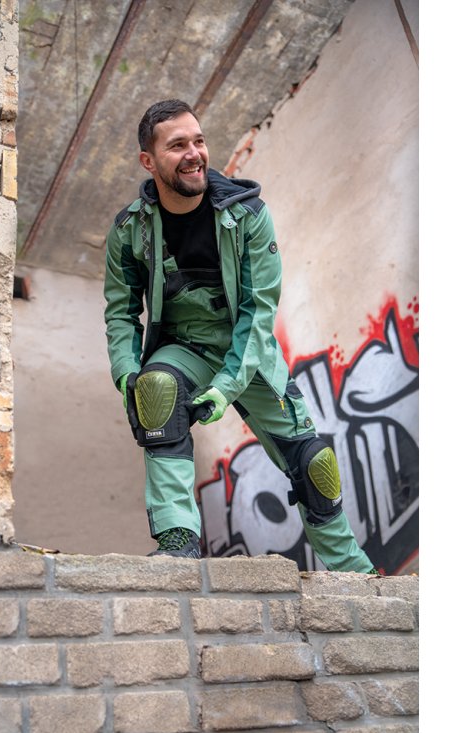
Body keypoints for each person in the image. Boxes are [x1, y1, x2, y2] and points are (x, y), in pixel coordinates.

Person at [103, 99, 375, 573]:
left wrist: (227, 387)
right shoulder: (130, 230)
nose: (194, 154)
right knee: (155, 390)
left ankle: (353, 570)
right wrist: (127, 374)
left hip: (248, 352)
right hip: (183, 348)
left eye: (199, 141)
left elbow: (258, 312)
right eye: (177, 145)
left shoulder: (248, 215)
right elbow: (121, 313)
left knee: (314, 462)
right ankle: (178, 541)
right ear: (149, 161)